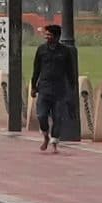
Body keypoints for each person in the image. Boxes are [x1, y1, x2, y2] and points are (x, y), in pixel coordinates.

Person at [31, 22, 76, 151]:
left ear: (57, 37)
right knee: (41, 115)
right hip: (44, 88)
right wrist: (34, 86)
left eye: (49, 35)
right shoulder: (41, 50)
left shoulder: (65, 51)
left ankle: (55, 142)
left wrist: (71, 89)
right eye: (46, 35)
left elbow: (70, 72)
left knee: (57, 116)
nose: (47, 37)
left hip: (60, 90)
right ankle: (45, 135)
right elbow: (36, 69)